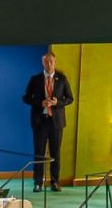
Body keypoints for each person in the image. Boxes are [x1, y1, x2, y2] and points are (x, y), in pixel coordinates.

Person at [23, 51, 74, 192]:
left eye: (51, 62)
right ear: (42, 63)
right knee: (39, 153)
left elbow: (70, 98)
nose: (49, 64)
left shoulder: (62, 79)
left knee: (55, 153)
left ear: (55, 62)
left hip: (56, 122)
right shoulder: (35, 79)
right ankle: (38, 182)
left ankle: (55, 182)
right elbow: (26, 98)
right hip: (40, 122)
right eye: (46, 62)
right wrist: (40, 103)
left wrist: (58, 102)